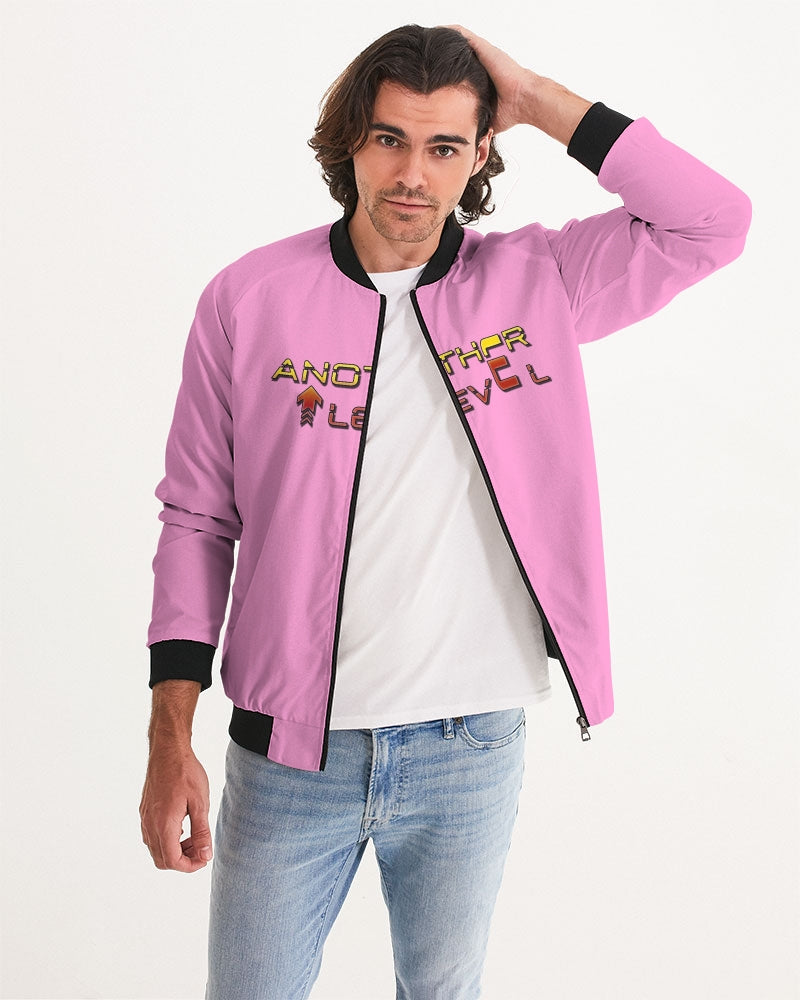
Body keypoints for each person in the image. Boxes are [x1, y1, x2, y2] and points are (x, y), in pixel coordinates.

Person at [139, 23, 751, 1000]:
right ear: (350, 139)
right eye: (390, 139)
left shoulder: (538, 283)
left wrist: (538, 98)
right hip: (290, 750)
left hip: (469, 746)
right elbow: (197, 519)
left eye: (444, 146)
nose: (413, 175)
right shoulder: (250, 298)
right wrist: (169, 735)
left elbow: (713, 221)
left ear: (479, 154)